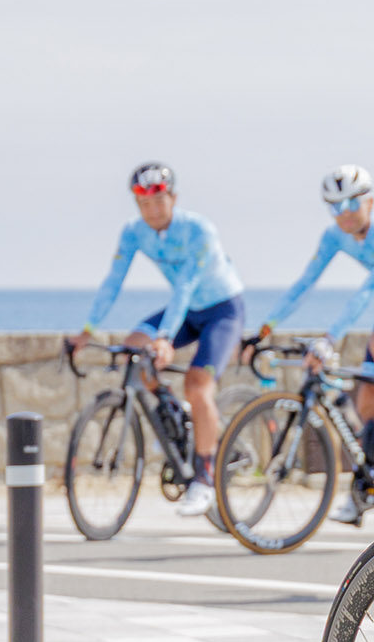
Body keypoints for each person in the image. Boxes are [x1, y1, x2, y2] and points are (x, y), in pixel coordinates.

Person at [256, 165, 374, 523]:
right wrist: (267, 327)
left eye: (352, 203)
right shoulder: (335, 236)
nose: (344, 213)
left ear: (370, 202)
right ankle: (366, 489)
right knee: (367, 398)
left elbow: (367, 292)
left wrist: (330, 339)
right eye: (335, 207)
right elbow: (305, 283)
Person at [70, 162, 245, 517]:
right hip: (187, 311)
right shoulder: (134, 232)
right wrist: (86, 331)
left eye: (158, 201)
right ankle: (173, 410)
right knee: (133, 348)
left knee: (197, 385)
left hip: (222, 310)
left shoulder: (198, 230)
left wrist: (164, 337)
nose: (151, 210)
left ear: (173, 198)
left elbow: (186, 286)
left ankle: (204, 478)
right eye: (143, 204)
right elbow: (113, 281)